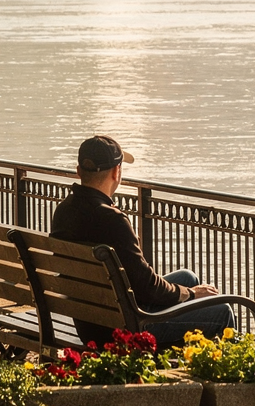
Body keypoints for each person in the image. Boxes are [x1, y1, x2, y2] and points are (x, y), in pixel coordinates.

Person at [48, 135, 232, 347]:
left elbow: (139, 283)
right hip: (124, 328)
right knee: (222, 311)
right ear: (117, 172)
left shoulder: (64, 211)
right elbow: (147, 286)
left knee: (187, 277)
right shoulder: (112, 220)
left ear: (79, 171)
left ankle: (190, 352)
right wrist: (190, 294)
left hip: (89, 322)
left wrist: (188, 292)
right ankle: (221, 364)